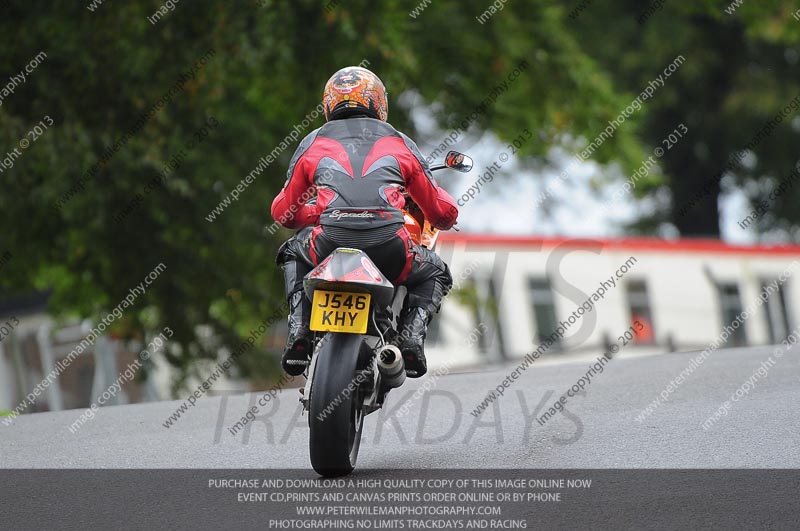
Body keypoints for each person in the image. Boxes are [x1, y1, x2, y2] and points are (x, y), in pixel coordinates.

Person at [271, 65, 458, 379]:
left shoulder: (312, 142)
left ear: (329, 103)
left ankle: (299, 329)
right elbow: (440, 213)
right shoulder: (400, 142)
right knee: (436, 272)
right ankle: (411, 337)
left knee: (291, 251)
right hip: (390, 248)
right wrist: (448, 206)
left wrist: (321, 212)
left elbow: (283, 213)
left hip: (327, 244)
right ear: (378, 102)